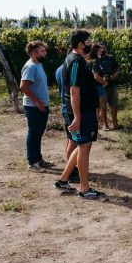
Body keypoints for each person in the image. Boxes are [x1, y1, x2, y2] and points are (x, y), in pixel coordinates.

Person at [54, 30, 106, 199]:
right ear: (80, 44)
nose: (91, 44)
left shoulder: (77, 60)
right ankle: (84, 189)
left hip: (84, 111)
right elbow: (74, 90)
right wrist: (77, 117)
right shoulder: (75, 61)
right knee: (84, 146)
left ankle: (63, 180)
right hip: (81, 112)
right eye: (88, 41)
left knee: (82, 144)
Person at [20, 40, 52, 171]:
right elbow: (24, 87)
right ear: (34, 53)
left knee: (38, 132)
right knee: (33, 132)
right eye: (42, 51)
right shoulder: (31, 66)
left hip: (41, 105)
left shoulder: (38, 65)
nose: (45, 53)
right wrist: (37, 101)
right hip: (33, 106)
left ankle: (38, 159)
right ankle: (32, 162)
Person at [54, 54, 79, 183]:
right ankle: (71, 170)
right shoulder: (71, 68)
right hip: (71, 108)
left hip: (65, 106)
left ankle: (71, 166)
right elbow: (73, 90)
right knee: (74, 141)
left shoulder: (59, 69)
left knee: (70, 139)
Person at [92, 42, 121, 130]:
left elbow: (117, 67)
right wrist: (103, 80)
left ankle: (115, 124)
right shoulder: (96, 60)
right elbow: (95, 75)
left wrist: (116, 73)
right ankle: (105, 125)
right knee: (103, 107)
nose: (103, 50)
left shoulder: (111, 58)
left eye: (104, 48)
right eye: (101, 48)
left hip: (112, 85)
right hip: (102, 86)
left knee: (114, 105)